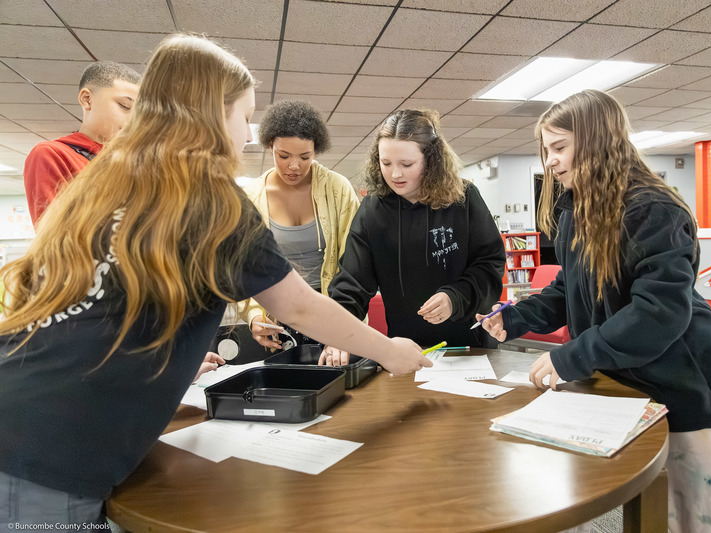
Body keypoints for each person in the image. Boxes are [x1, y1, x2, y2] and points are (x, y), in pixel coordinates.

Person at [0, 34, 430, 528]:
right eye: (244, 117)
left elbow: (97, 302)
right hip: (48, 458)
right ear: (207, 113)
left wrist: (168, 354)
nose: (249, 136)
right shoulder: (212, 201)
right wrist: (390, 351)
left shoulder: (103, 184)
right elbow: (299, 306)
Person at [479, 89, 711, 532]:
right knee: (656, 513)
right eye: (547, 149)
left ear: (598, 141)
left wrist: (570, 356)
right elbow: (571, 287)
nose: (551, 161)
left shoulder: (652, 208)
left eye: (560, 147)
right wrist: (516, 318)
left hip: (685, 391)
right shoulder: (578, 207)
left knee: (709, 521)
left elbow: (658, 313)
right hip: (631, 387)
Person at [323, 108, 505, 365]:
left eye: (406, 164)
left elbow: (489, 265)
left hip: (470, 348)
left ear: (431, 160)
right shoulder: (372, 210)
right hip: (406, 351)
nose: (395, 174)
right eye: (386, 163)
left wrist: (456, 298)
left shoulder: (464, 199)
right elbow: (352, 283)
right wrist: (338, 334)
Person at [242, 100, 361, 351]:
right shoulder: (251, 197)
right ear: (269, 146)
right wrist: (254, 315)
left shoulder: (338, 190)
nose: (294, 166)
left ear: (316, 150)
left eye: (304, 157)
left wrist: (343, 325)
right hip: (278, 316)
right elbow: (241, 268)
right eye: (283, 155)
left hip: (334, 309)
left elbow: (355, 263)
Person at [23, 61, 141, 225]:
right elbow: (54, 234)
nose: (132, 119)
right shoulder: (53, 154)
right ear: (87, 99)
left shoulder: (134, 160)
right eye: (125, 106)